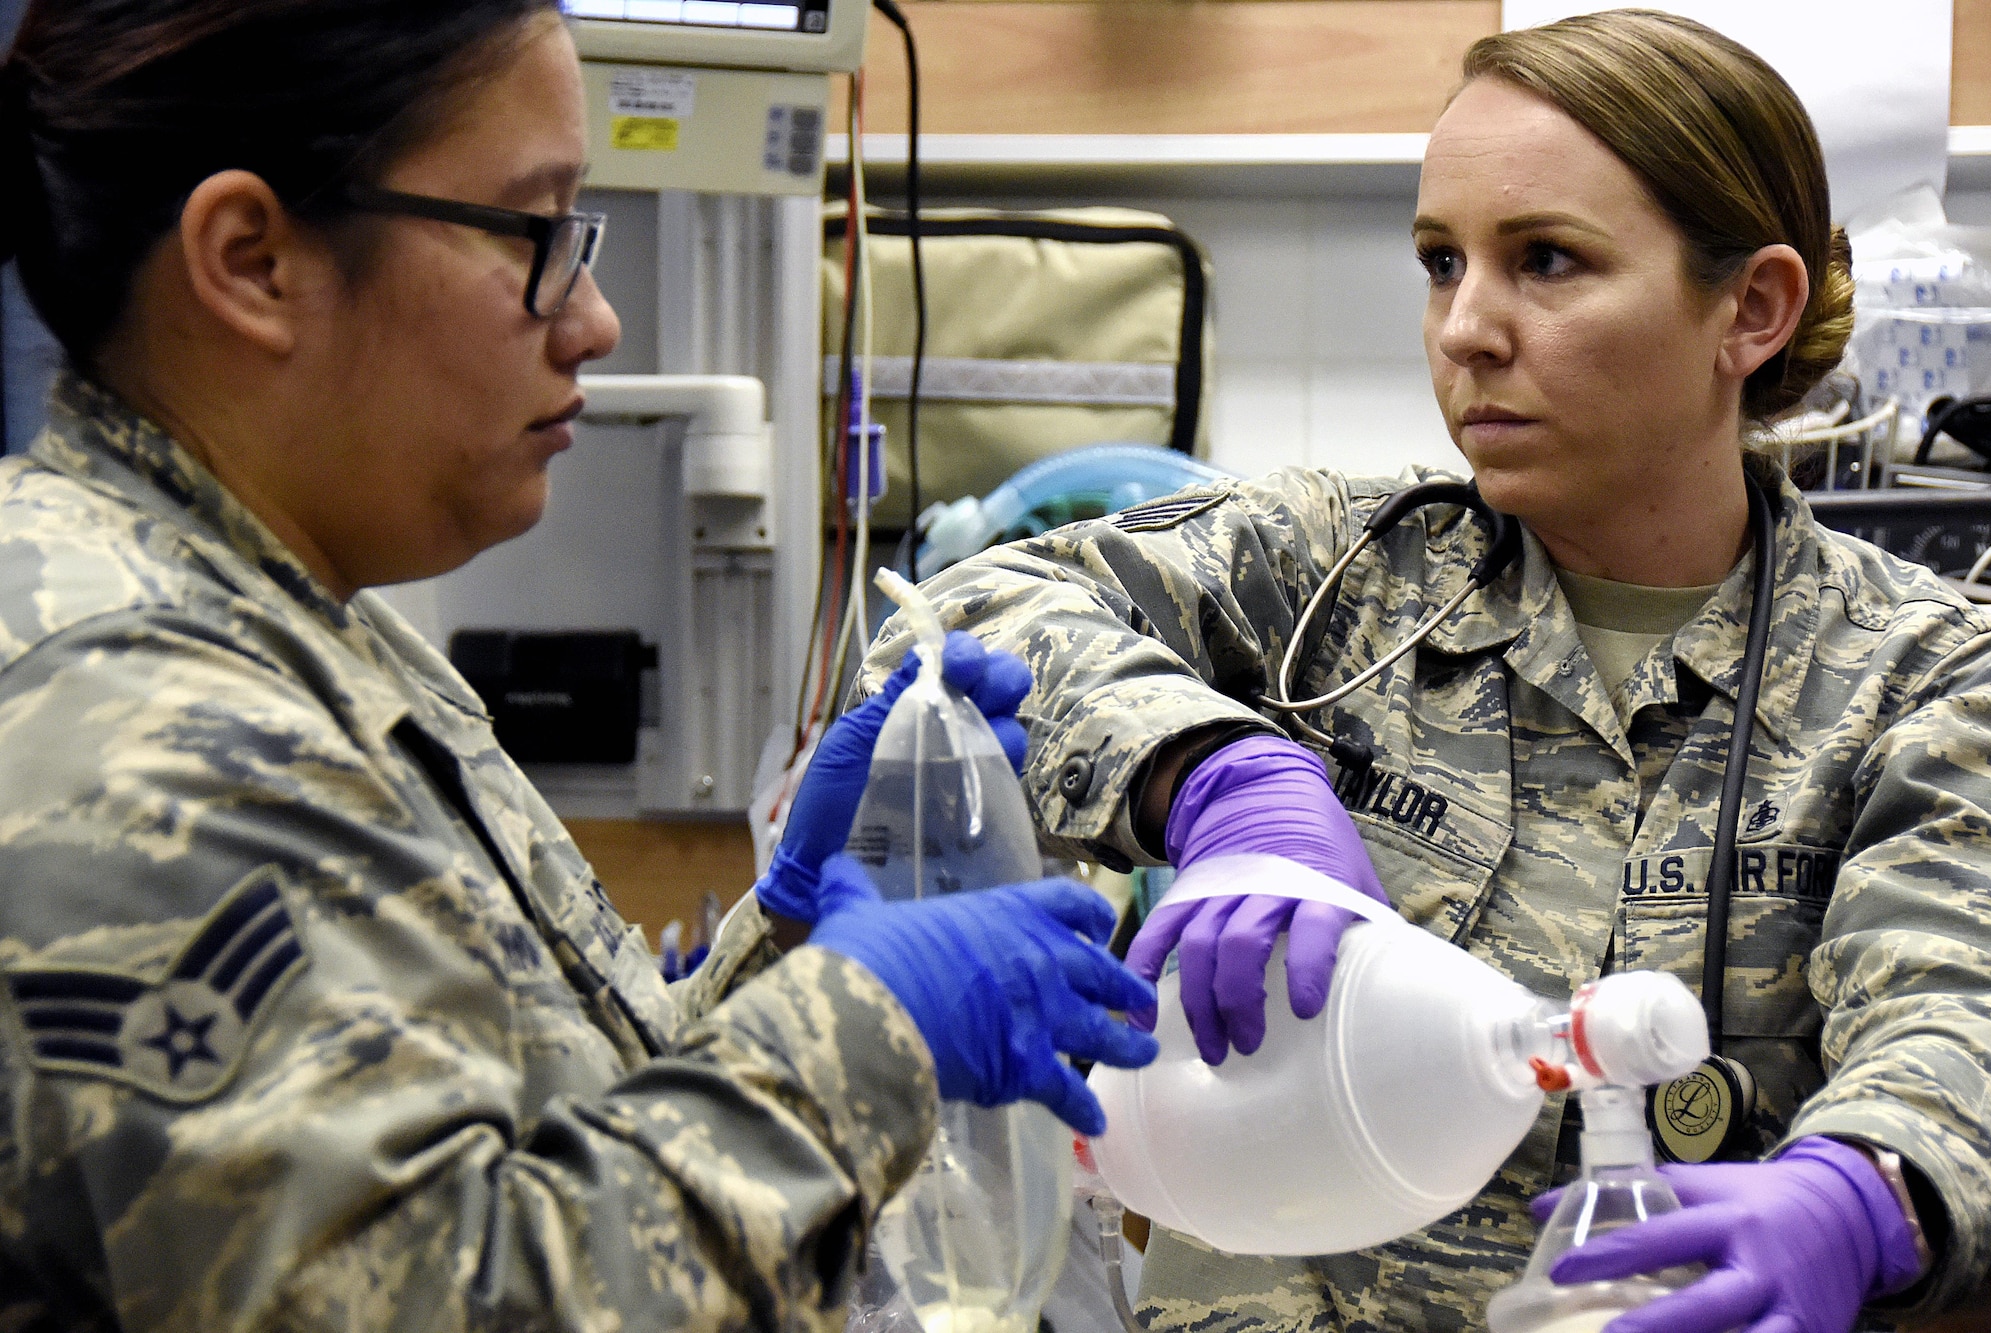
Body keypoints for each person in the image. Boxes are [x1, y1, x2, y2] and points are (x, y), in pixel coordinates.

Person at [0, 2, 1157, 1326]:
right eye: (539, 235)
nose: (597, 321)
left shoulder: (310, 631)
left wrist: (787, 938)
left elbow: (538, 1138)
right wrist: (873, 1022)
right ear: (254, 260)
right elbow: (448, 1297)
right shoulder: (129, 707)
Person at [860, 11, 1991, 1333]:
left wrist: (1862, 1194)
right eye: (1440, 261)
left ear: (1751, 307)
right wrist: (1214, 772)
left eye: (1547, 262)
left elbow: (1963, 1008)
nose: (1466, 328)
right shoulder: (1336, 575)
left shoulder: (1924, 674)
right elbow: (950, 619)